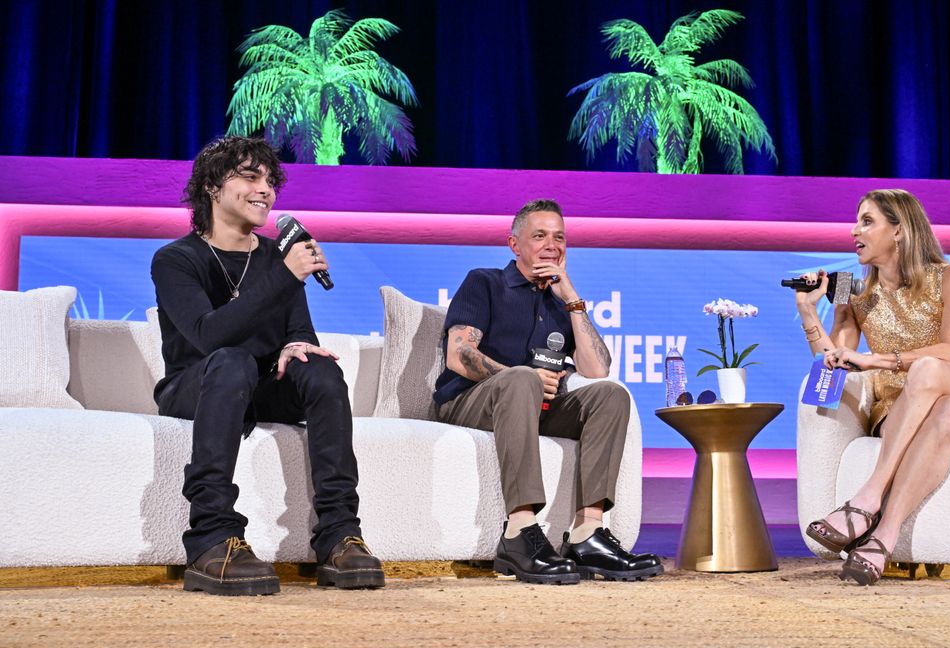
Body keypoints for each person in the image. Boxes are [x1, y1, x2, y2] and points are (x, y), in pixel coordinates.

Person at [151, 136, 384, 596]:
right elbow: (207, 336)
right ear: (213, 187)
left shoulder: (278, 258)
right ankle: (212, 537)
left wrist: (293, 348)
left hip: (257, 383)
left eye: (270, 181)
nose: (266, 190)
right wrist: (284, 274)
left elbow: (301, 334)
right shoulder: (176, 259)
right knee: (232, 361)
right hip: (195, 386)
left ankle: (339, 535)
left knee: (321, 370)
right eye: (250, 177)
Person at [434, 198, 663, 584]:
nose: (551, 245)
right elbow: (459, 356)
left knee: (611, 394)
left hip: (536, 407)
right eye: (539, 236)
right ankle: (519, 532)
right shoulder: (484, 281)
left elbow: (598, 369)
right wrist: (523, 377)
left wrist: (572, 300)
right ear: (515, 244)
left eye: (559, 237)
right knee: (523, 378)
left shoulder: (560, 303)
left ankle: (588, 534)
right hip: (467, 402)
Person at [796, 189, 950, 586]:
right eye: (856, 221)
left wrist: (878, 360)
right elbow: (837, 360)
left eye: (866, 221)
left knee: (931, 372)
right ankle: (883, 536)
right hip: (901, 405)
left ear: (898, 229)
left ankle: (866, 500)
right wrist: (809, 311)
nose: (852, 230)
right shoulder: (850, 290)